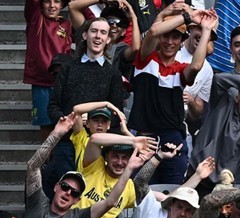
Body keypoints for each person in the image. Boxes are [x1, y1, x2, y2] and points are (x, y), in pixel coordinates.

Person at [128, 7, 218, 184]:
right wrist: (188, 16)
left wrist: (207, 29)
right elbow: (153, 30)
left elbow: (196, 66)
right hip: (145, 139)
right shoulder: (145, 59)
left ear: (182, 41)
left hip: (173, 138)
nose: (170, 41)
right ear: (160, 39)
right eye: (166, 36)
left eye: (175, 37)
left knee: (172, 194)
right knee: (137, 195)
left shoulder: (180, 69)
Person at [44, 17, 125, 198]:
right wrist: (72, 120)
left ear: (109, 39)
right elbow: (53, 107)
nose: (98, 36)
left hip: (97, 148)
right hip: (67, 144)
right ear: (84, 35)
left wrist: (95, 121)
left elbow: (116, 115)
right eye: (94, 31)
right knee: (63, 196)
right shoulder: (68, 68)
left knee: (90, 199)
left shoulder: (113, 74)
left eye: (103, 33)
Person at [23, 0, 72, 140]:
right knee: (46, 126)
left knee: (65, 124)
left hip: (63, 83)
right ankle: (46, 160)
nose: (52, 6)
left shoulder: (67, 24)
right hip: (41, 83)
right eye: (47, 1)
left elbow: (86, 16)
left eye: (56, 1)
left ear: (62, 5)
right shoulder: (36, 19)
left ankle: (60, 160)